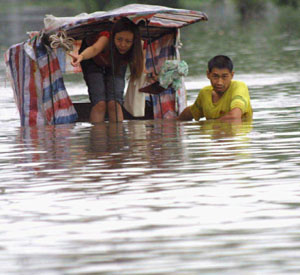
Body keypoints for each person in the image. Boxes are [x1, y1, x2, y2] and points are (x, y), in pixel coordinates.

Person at [71, 17, 144, 123]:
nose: (123, 45)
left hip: (116, 63)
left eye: (128, 41)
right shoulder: (106, 38)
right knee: (100, 103)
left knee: (114, 103)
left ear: (134, 42)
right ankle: (98, 138)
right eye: (119, 39)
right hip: (92, 60)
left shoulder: (138, 47)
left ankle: (117, 138)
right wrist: (81, 56)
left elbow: (143, 69)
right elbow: (94, 49)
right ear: (113, 36)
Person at [178, 55, 252, 122]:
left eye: (224, 77)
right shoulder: (205, 93)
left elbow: (234, 116)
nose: (219, 82)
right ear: (208, 75)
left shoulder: (238, 87)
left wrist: (211, 126)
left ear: (232, 75)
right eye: (215, 76)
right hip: (213, 136)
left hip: (236, 136)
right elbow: (189, 113)